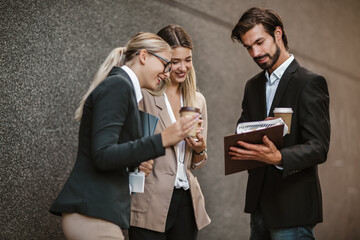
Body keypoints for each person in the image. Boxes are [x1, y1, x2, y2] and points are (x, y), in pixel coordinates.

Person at [49, 32, 200, 240]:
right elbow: (103, 154)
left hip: (99, 213)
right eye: (166, 64)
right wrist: (163, 139)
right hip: (92, 212)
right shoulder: (118, 86)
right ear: (144, 56)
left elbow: (109, 153)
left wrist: (137, 162)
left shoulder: (122, 87)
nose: (167, 73)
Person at [229, 7, 330, 240]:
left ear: (277, 33)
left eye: (259, 42)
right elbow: (242, 129)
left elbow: (319, 147)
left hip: (293, 208)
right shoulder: (252, 86)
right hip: (258, 206)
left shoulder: (309, 83)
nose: (255, 52)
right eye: (248, 47)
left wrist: (279, 158)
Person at [129, 25, 211, 240]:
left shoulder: (197, 101)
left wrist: (201, 149)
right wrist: (137, 161)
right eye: (175, 61)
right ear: (164, 59)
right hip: (149, 201)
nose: (183, 67)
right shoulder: (145, 96)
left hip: (187, 203)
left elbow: (196, 163)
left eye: (188, 60)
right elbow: (127, 146)